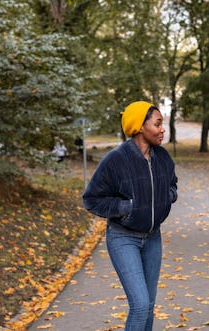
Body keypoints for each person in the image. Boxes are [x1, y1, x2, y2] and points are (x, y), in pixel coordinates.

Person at [83, 101, 178, 331]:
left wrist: (168, 196)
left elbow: (173, 185)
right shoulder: (116, 160)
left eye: (162, 124)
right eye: (157, 124)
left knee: (150, 304)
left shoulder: (162, 157)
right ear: (140, 127)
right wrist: (127, 208)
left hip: (153, 238)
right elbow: (92, 199)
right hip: (123, 237)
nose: (162, 129)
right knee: (140, 304)